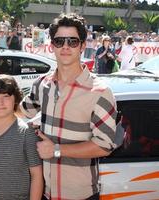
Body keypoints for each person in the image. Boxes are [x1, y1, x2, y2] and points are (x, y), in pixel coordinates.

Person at [20, 13, 118, 200]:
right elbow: (19, 111)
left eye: (72, 41)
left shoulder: (100, 92)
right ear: (52, 45)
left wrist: (56, 150)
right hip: (44, 193)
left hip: (81, 196)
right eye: (59, 41)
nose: (65, 46)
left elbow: (105, 146)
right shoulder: (42, 85)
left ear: (82, 46)